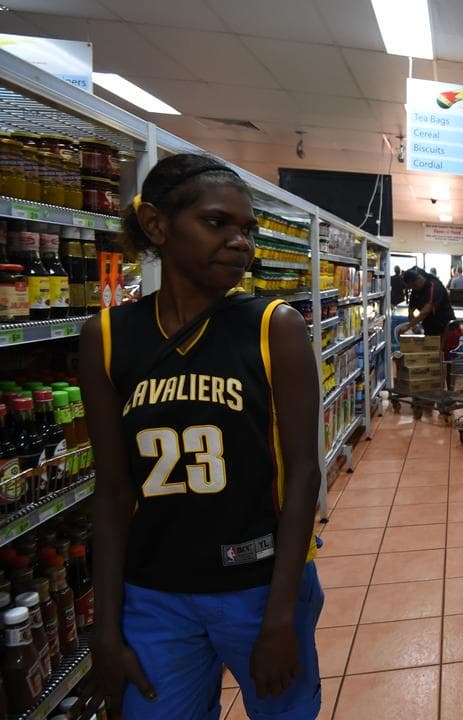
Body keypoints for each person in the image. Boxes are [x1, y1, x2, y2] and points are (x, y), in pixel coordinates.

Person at [77, 154, 324, 719]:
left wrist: (282, 616)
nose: (241, 243)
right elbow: (113, 492)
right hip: (154, 594)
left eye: (248, 230)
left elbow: (303, 473)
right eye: (218, 224)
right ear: (158, 226)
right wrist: (106, 629)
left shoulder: (274, 328)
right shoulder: (108, 339)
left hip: (260, 588)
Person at [397, 266, 460, 354]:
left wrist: (409, 326)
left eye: (413, 286)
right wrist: (414, 326)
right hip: (432, 330)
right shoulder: (416, 288)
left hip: (447, 329)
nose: (413, 289)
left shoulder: (434, 285)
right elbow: (411, 309)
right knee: (431, 360)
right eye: (410, 288)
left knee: (444, 360)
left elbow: (426, 311)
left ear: (418, 279)